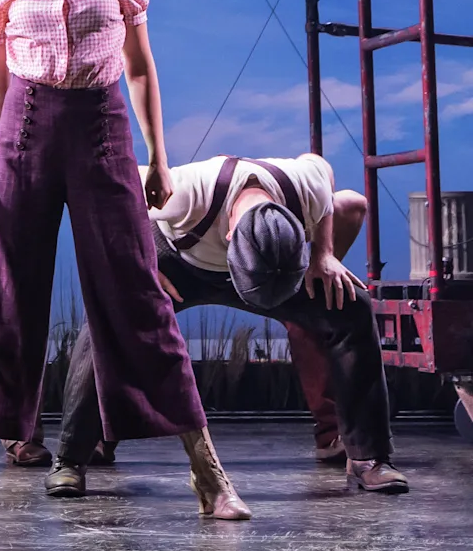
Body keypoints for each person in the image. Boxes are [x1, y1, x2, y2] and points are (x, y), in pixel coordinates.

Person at [0, 0, 250, 525]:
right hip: (24, 130)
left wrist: (160, 158)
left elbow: (138, 69)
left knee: (135, 291)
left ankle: (211, 479)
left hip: (102, 128)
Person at [50, 151, 408, 496]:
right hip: (178, 261)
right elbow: (111, 193)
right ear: (228, 238)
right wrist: (138, 262)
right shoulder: (187, 192)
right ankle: (70, 460)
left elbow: (322, 175)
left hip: (273, 267)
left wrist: (323, 253)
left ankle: (369, 457)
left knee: (351, 306)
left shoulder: (304, 185)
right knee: (108, 315)